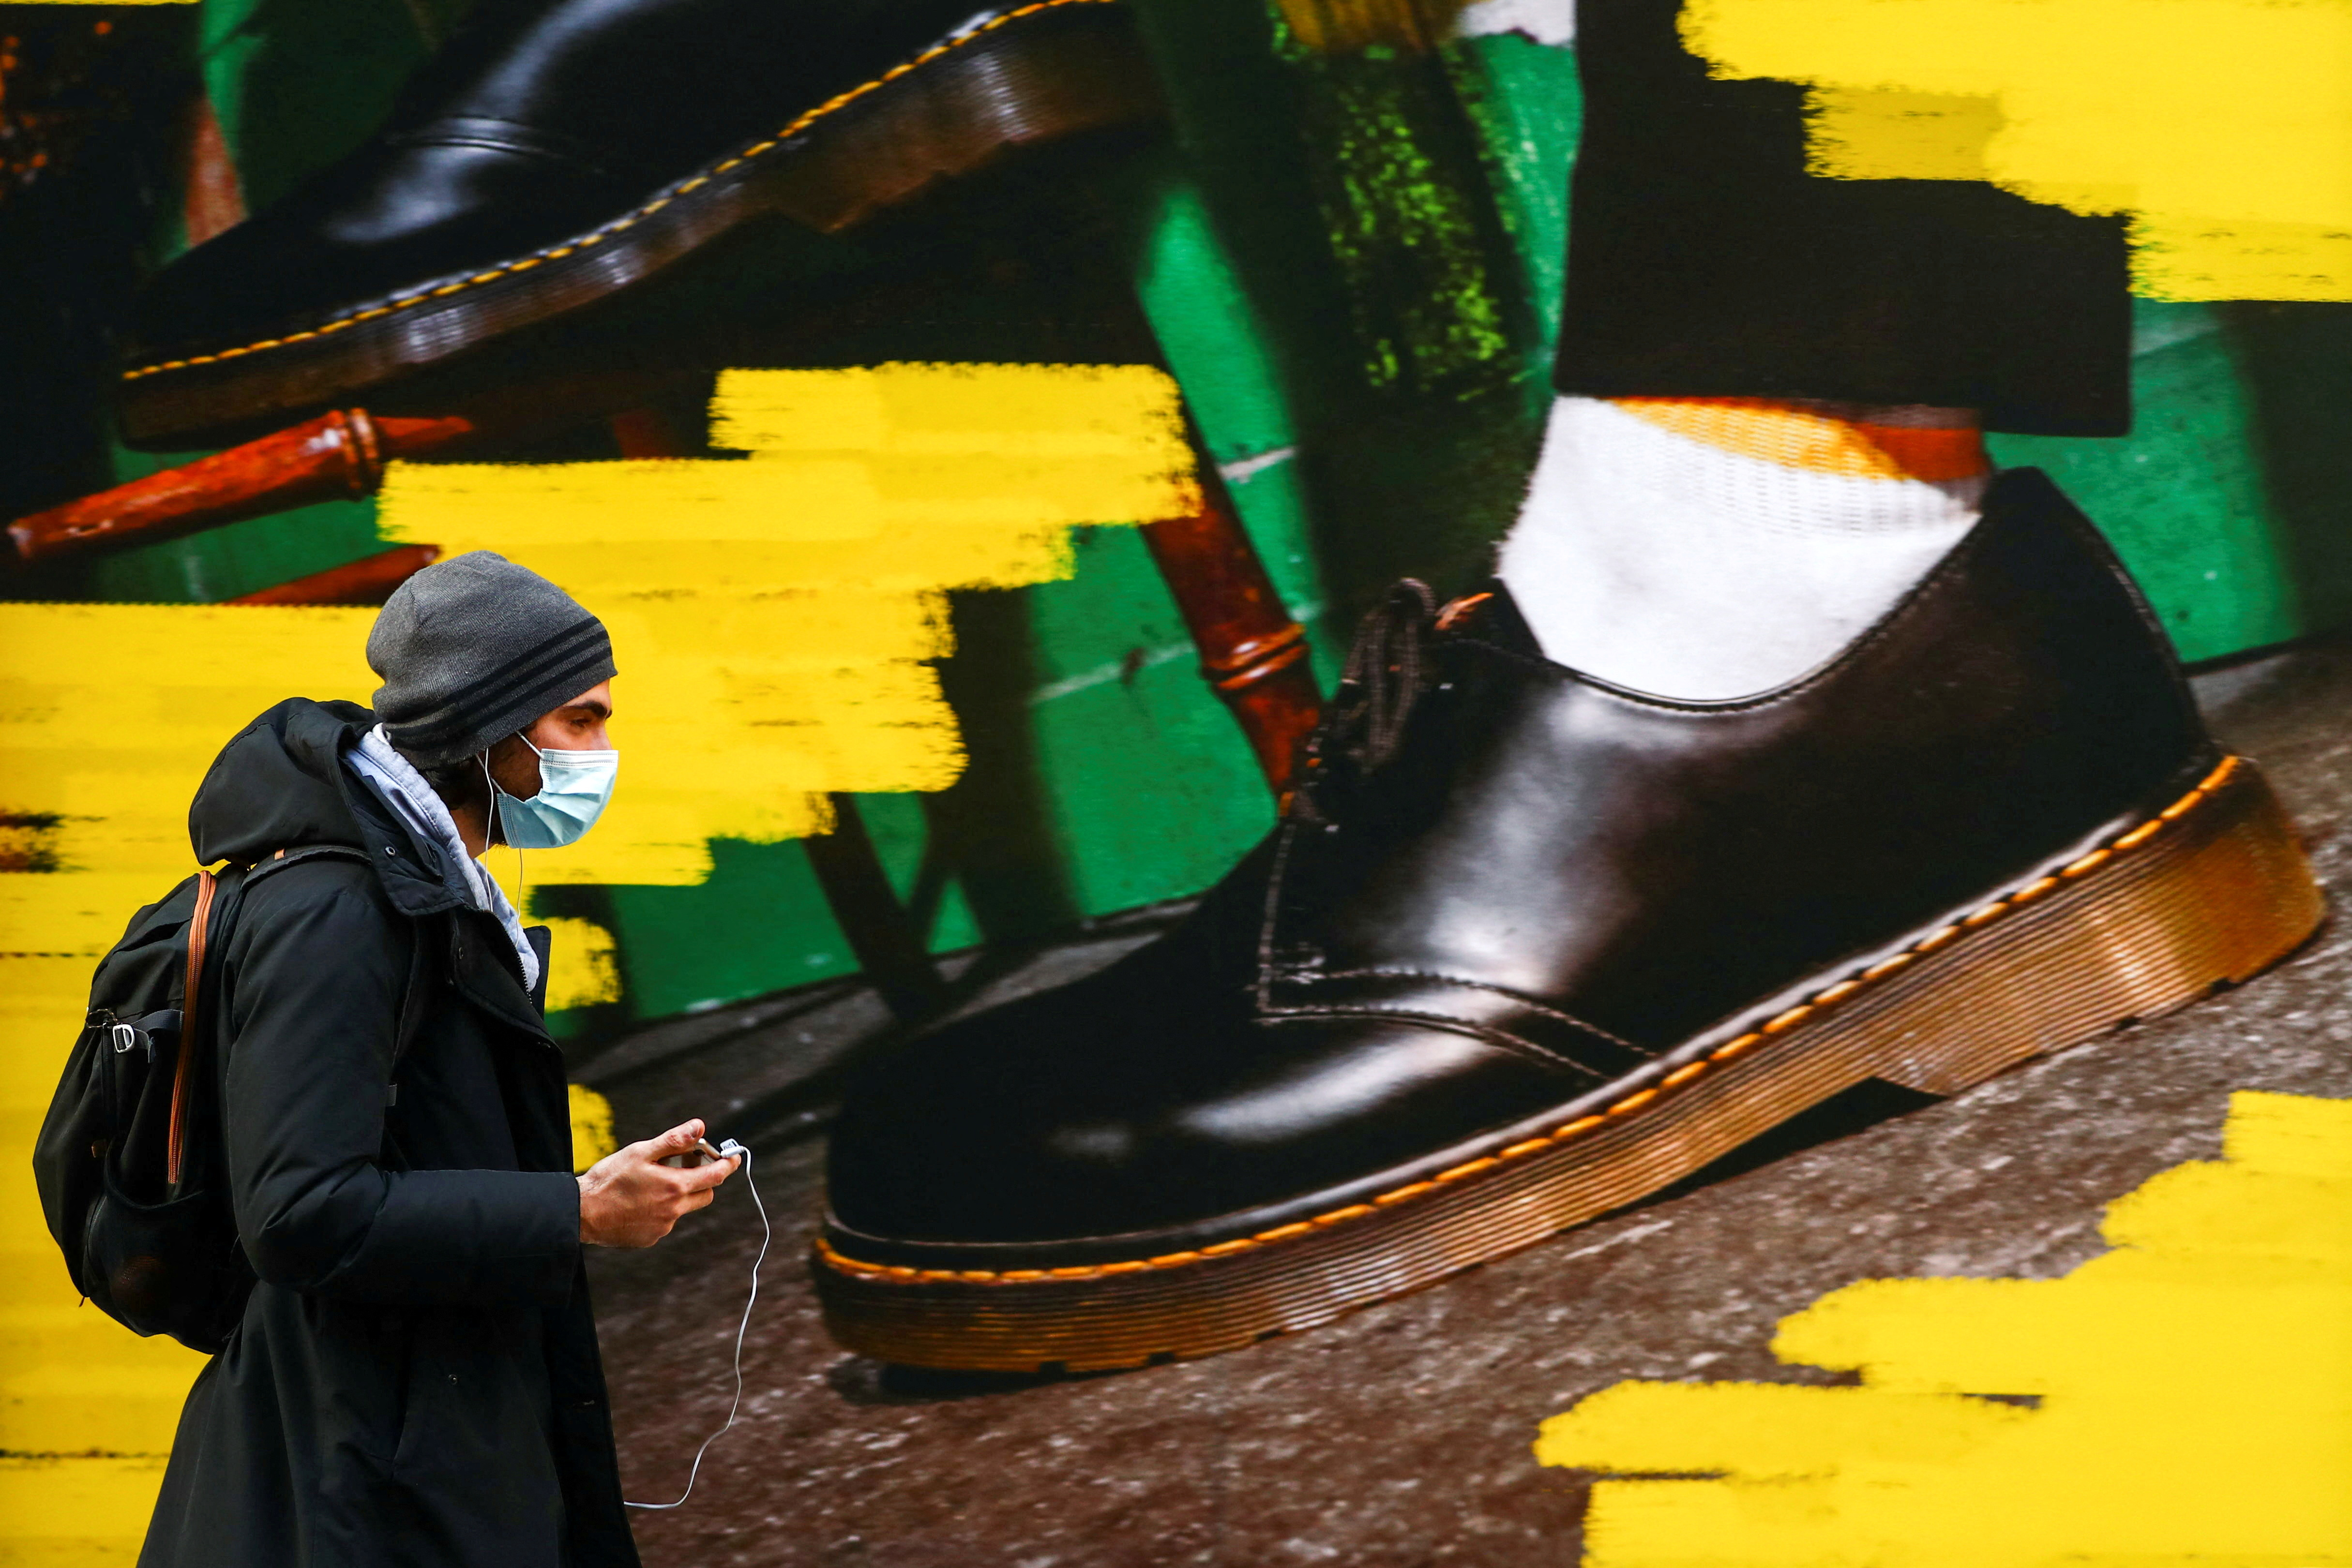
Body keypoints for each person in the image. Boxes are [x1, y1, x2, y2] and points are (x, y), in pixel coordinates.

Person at [140, 551, 734, 1568]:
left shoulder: (429, 893)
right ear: (488, 730)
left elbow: (413, 1157)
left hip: (433, 1444)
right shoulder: (336, 911)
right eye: (581, 721)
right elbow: (299, 1213)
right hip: (361, 1483)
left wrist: (586, 1188)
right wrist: (577, 1212)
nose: (604, 751)